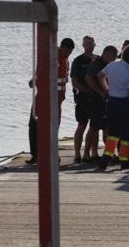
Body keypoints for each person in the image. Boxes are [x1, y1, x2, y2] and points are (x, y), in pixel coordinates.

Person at [26, 37, 75, 166]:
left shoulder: (63, 60)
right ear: (62, 47)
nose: (68, 54)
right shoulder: (52, 57)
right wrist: (34, 81)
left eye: (69, 52)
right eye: (67, 52)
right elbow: (40, 72)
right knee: (34, 126)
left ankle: (49, 156)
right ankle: (37, 155)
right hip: (44, 98)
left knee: (51, 129)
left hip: (55, 100)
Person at [96, 45, 129, 171]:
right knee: (127, 135)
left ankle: (105, 160)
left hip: (112, 102)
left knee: (113, 134)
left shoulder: (112, 65)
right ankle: (124, 161)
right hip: (124, 104)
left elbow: (100, 75)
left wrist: (106, 89)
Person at [85, 45, 118, 159]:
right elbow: (88, 79)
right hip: (96, 100)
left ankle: (109, 153)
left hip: (106, 100)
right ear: (107, 54)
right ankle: (86, 154)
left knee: (107, 128)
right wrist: (100, 92)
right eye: (113, 57)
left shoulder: (107, 64)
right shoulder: (97, 63)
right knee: (93, 127)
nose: (114, 60)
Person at [70, 36, 97, 163]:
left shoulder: (98, 60)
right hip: (82, 98)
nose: (89, 46)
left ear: (94, 45)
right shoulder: (78, 61)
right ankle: (77, 154)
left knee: (95, 126)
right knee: (81, 125)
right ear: (83, 45)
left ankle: (94, 153)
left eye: (91, 44)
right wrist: (86, 90)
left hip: (96, 97)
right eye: (86, 44)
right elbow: (74, 82)